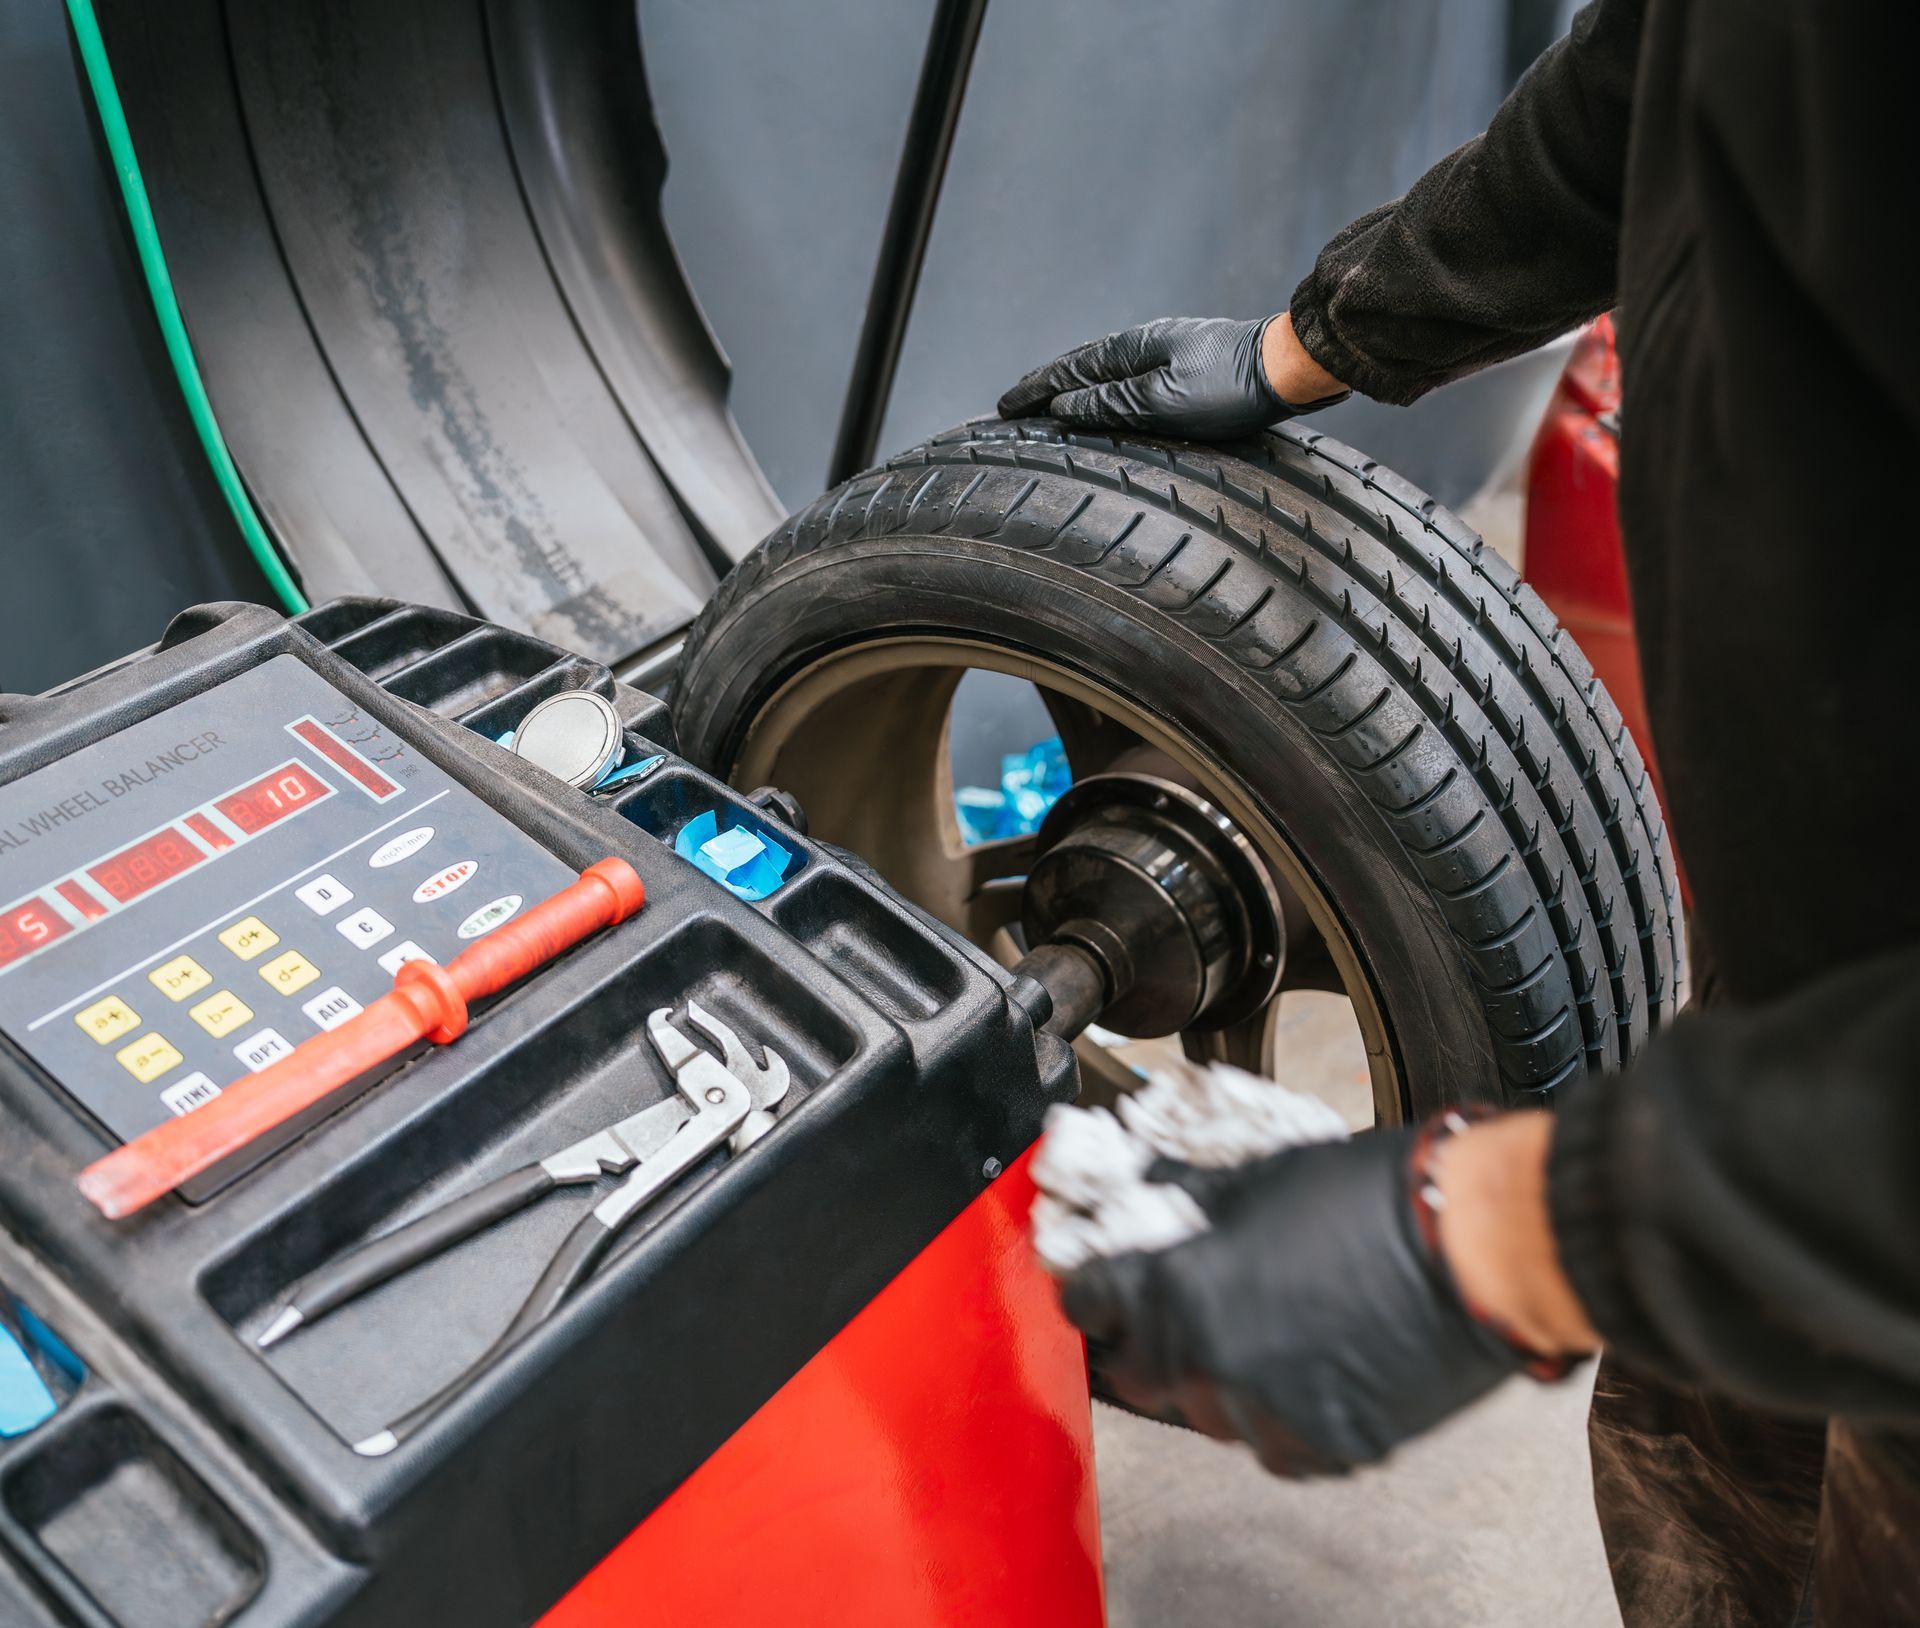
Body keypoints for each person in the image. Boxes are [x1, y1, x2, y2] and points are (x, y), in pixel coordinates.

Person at [997, 2, 1920, 1624]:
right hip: (1792, 1072)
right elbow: (1674, 68)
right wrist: (1323, 338)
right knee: (1713, 1493)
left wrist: (1512, 1231)